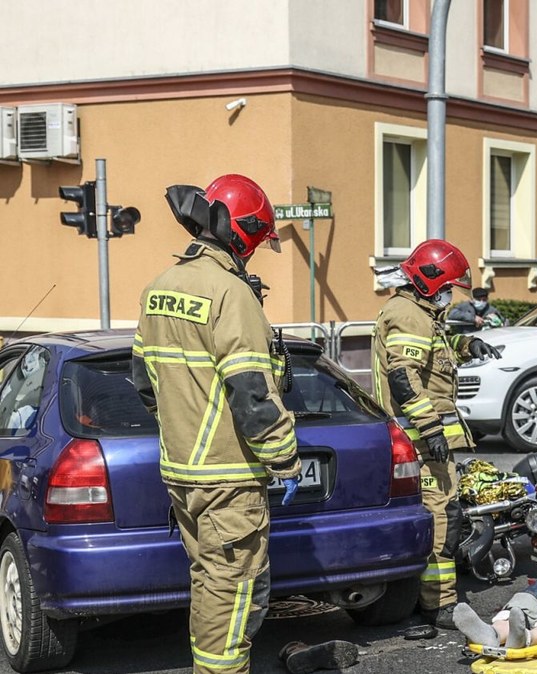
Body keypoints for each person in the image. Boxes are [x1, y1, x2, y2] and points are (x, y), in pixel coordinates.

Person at [132, 175, 353, 673]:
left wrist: (181, 431)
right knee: (234, 593)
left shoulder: (160, 288)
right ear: (245, 235)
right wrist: (285, 459)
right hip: (228, 478)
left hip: (181, 472)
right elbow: (252, 392)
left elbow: (144, 382)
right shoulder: (231, 294)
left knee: (209, 582)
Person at [370, 240, 503, 630]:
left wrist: (465, 344)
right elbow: (404, 377)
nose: (451, 296)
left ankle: (428, 599)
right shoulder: (409, 316)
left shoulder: (418, 312)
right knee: (441, 519)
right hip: (422, 440)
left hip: (424, 438)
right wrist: (430, 429)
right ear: (430, 282)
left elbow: (433, 357)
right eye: (447, 287)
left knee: (441, 515)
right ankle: (439, 605)